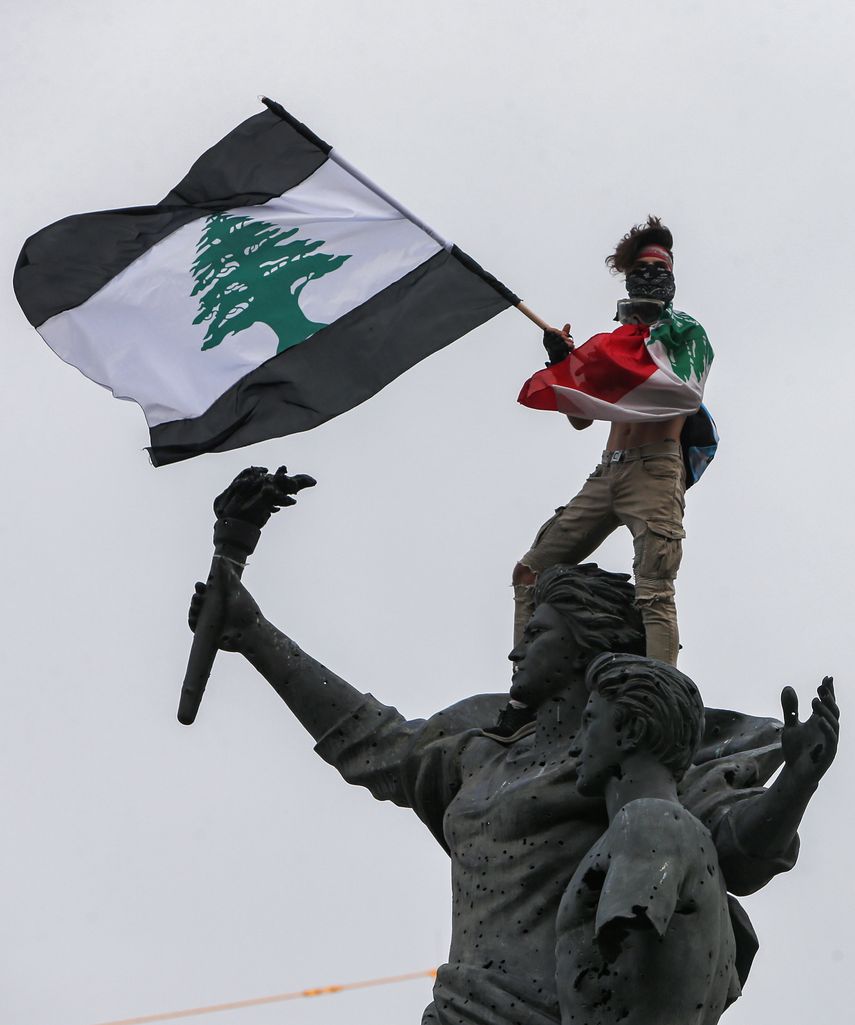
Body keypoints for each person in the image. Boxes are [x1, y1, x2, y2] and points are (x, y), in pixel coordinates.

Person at [188, 528, 839, 1025]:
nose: (514, 648)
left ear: (583, 645)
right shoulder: (478, 753)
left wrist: (797, 782)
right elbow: (366, 739)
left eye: (536, 632)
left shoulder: (632, 758)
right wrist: (252, 632)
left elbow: (727, 848)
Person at [513, 217, 715, 668]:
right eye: (640, 269)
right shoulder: (609, 345)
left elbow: (684, 391)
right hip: (607, 471)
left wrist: (591, 364)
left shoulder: (684, 335)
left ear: (672, 278)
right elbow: (581, 420)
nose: (649, 276)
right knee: (530, 570)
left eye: (659, 268)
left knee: (655, 593)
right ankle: (523, 699)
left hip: (655, 472)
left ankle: (660, 699)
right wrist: (564, 362)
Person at [557, 654, 739, 1025]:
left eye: (589, 723)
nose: (575, 747)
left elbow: (624, 927)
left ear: (631, 731)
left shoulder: (646, 823)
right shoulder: (699, 847)